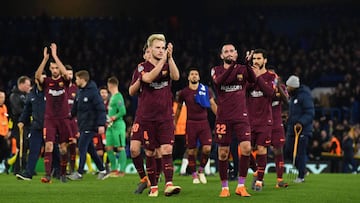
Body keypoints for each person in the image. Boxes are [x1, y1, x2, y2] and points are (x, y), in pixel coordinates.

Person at [138, 33, 181, 197]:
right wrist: (163, 61)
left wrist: (170, 58)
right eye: (158, 47)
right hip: (148, 117)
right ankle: (154, 186)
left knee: (166, 149)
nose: (161, 50)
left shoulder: (167, 63)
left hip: (165, 116)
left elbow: (176, 76)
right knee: (150, 152)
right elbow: (148, 78)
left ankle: (169, 184)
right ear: (149, 49)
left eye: (163, 48)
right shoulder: (142, 67)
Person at [211, 43, 255, 197]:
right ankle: (224, 188)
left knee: (246, 148)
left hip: (241, 115)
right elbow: (219, 82)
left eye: (232, 51)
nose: (229, 53)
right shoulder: (216, 70)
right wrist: (233, 65)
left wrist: (248, 64)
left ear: (236, 54)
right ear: (221, 56)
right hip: (223, 116)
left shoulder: (242, 69)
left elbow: (254, 79)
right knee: (223, 153)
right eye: (226, 52)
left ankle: (241, 186)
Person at [35, 44, 73, 183]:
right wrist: (45, 60)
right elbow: (37, 76)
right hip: (50, 119)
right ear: (50, 69)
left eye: (56, 68)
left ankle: (63, 174)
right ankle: (47, 175)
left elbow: (65, 74)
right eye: (53, 68)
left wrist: (55, 56)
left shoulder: (64, 81)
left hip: (63, 118)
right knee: (49, 145)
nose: (55, 70)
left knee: (63, 148)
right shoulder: (47, 82)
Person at [129, 43, 162, 194]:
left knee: (155, 151)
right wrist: (140, 80)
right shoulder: (140, 69)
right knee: (134, 150)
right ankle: (144, 179)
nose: (150, 55)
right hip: (141, 116)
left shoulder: (162, 69)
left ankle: (155, 178)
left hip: (158, 116)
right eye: (147, 52)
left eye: (152, 52)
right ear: (144, 55)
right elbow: (131, 91)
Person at [174, 67, 217, 184]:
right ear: (188, 77)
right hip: (191, 124)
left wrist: (220, 117)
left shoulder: (206, 90)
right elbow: (178, 109)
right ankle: (194, 174)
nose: (194, 76)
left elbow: (213, 104)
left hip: (204, 123)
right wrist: (174, 122)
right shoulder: (184, 92)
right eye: (192, 74)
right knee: (192, 151)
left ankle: (201, 170)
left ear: (199, 77)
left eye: (196, 74)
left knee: (207, 149)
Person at [67, 70, 109, 180]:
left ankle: (79, 173)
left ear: (82, 79)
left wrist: (101, 124)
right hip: (82, 125)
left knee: (82, 147)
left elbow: (101, 109)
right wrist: (69, 116)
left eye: (77, 79)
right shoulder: (79, 92)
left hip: (91, 125)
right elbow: (75, 108)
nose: (76, 81)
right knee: (91, 150)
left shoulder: (93, 92)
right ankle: (103, 170)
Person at [246, 49, 276, 191]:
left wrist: (258, 77)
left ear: (265, 60)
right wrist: (253, 77)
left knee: (262, 149)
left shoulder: (271, 76)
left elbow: (270, 93)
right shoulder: (249, 76)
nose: (256, 61)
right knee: (245, 149)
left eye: (259, 59)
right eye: (254, 59)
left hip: (265, 120)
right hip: (249, 120)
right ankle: (257, 170)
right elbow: (244, 90)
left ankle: (259, 181)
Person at [285, 75, 315, 183]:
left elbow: (310, 113)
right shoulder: (293, 97)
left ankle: (301, 176)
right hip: (291, 129)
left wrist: (301, 122)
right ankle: (303, 170)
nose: (287, 88)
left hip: (303, 129)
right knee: (288, 151)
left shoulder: (304, 96)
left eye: (288, 86)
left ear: (293, 87)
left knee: (300, 153)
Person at [15, 74, 46, 180]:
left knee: (53, 150)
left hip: (49, 126)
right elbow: (27, 110)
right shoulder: (32, 94)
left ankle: (59, 172)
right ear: (37, 80)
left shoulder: (51, 92)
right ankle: (28, 173)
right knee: (33, 150)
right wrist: (22, 121)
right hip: (36, 126)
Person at [268, 68, 289, 188]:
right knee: (259, 150)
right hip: (262, 122)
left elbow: (286, 100)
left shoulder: (281, 87)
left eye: (273, 75)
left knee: (278, 150)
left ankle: (280, 180)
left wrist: (277, 85)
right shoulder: (259, 86)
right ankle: (257, 177)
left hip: (276, 123)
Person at [8, 75, 31, 174]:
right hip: (18, 125)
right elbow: (17, 110)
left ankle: (18, 168)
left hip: (26, 125)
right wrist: (28, 112)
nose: (29, 87)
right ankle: (19, 167)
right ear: (21, 84)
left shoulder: (26, 95)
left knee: (25, 146)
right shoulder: (14, 96)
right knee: (21, 146)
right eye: (27, 85)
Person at [105, 76, 127, 177]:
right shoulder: (112, 97)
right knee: (108, 147)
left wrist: (113, 117)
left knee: (120, 148)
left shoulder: (118, 96)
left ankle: (121, 171)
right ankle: (114, 170)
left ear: (110, 85)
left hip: (118, 126)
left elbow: (123, 111)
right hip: (110, 126)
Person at [65, 65, 78, 174]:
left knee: (73, 146)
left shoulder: (76, 89)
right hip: (62, 122)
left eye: (71, 74)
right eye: (67, 74)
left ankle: (72, 169)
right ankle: (61, 169)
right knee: (63, 146)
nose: (69, 76)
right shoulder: (60, 88)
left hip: (73, 123)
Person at [0, 90, 10, 174]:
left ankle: (3, 165)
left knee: (5, 150)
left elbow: (5, 120)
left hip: (3, 133)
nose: (2, 99)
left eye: (3, 97)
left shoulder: (4, 107)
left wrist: (7, 131)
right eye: (0, 97)